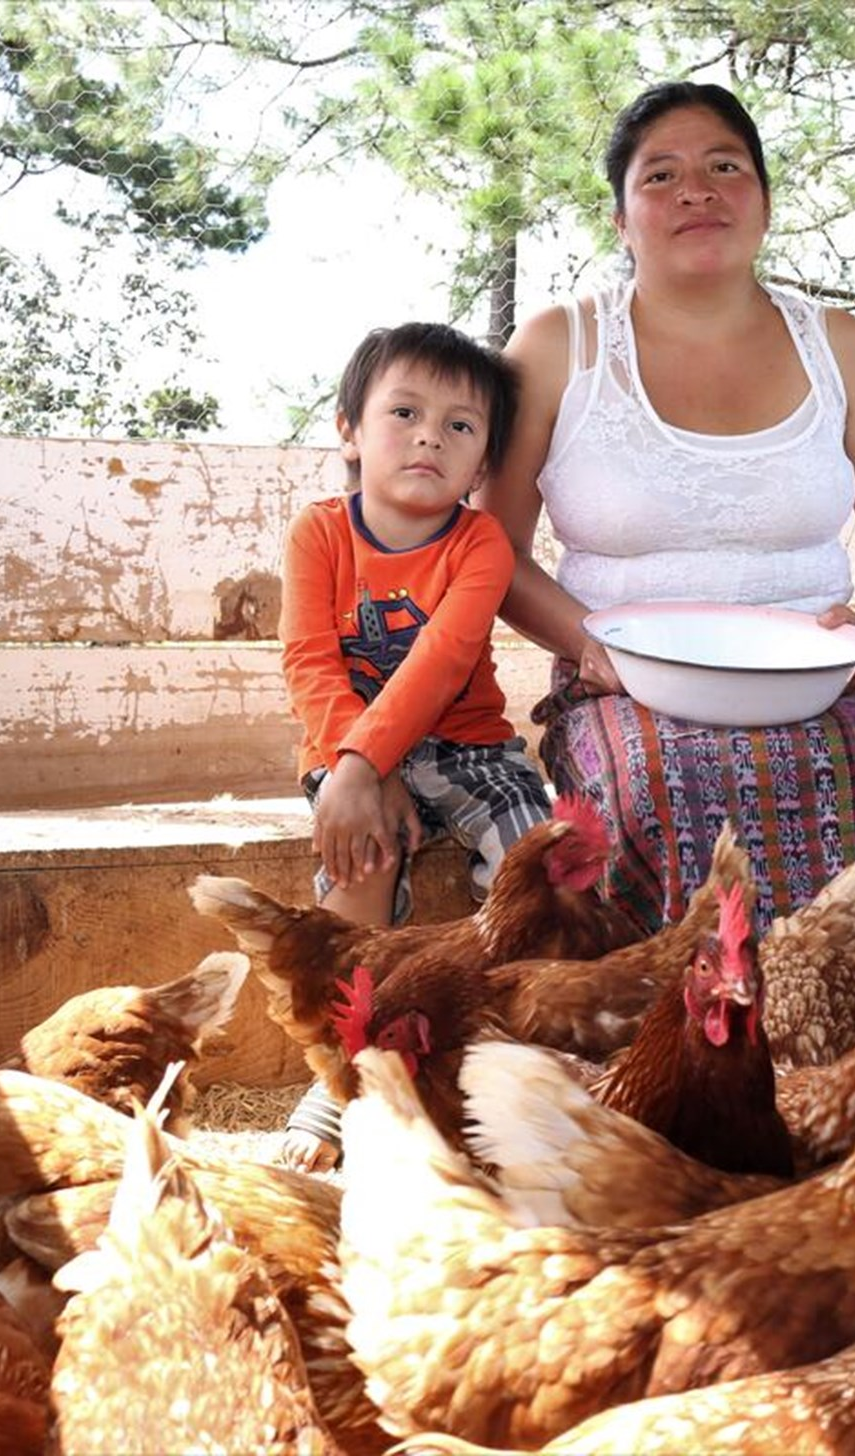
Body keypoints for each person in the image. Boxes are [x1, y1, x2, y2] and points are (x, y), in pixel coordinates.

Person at [482, 80, 855, 1025]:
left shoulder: (840, 345)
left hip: (812, 689)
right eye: (664, 175)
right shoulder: (561, 344)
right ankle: (677, 1059)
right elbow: (495, 547)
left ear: (763, 204)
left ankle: (839, 1054)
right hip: (624, 690)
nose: (699, 190)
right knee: (664, 787)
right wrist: (588, 646)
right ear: (621, 219)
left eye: (726, 167)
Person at [275, 321, 552, 1168]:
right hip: (346, 746)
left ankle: (510, 1057)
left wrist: (370, 761)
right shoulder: (319, 534)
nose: (431, 434)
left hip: (469, 747)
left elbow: (441, 664)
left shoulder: (480, 546)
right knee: (358, 860)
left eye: (461, 426)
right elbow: (310, 661)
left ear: (482, 464)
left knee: (534, 862)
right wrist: (354, 772)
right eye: (405, 411)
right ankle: (338, 1079)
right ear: (350, 428)